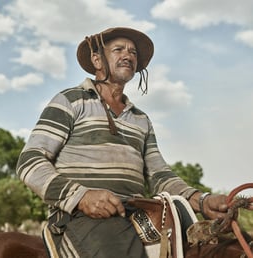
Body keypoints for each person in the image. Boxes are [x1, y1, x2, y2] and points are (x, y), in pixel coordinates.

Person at [16, 27, 228, 258]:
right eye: (118, 49)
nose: (128, 55)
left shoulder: (141, 119)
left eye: (133, 52)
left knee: (210, 247)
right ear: (97, 60)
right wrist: (81, 197)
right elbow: (30, 161)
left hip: (136, 213)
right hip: (79, 215)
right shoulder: (70, 101)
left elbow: (159, 175)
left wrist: (203, 200)